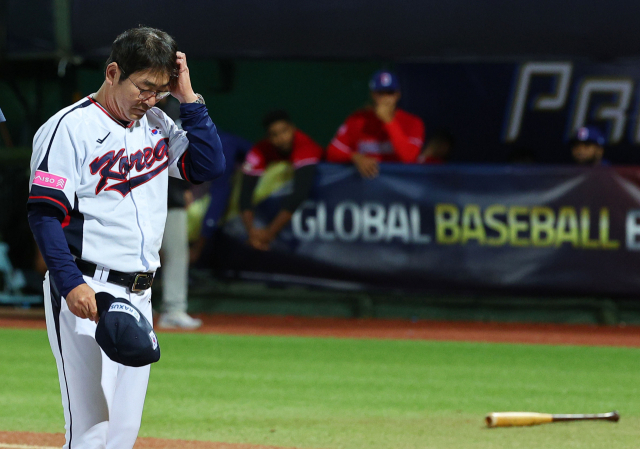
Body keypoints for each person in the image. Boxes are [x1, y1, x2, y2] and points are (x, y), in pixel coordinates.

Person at [27, 27, 225, 449]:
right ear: (113, 72)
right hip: (87, 286)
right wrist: (70, 283)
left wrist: (189, 100)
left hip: (139, 291)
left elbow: (206, 165)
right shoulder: (68, 127)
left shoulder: (157, 122)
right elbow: (44, 214)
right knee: (91, 430)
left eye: (161, 89)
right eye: (144, 87)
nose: (151, 98)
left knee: (120, 436)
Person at [240, 110, 322, 250]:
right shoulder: (261, 149)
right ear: (268, 137)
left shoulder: (305, 145)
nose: (281, 138)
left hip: (310, 213)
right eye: (274, 135)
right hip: (267, 224)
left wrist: (269, 234)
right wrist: (252, 233)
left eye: (285, 131)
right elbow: (245, 193)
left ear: (293, 128)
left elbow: (299, 195)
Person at [326, 70, 425, 178]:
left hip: (400, 187)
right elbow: (332, 151)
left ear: (398, 95)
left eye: (390, 93)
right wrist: (355, 157)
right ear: (373, 95)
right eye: (380, 93)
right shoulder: (357, 120)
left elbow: (409, 158)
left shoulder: (412, 122)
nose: (385, 98)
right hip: (365, 185)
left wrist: (389, 121)